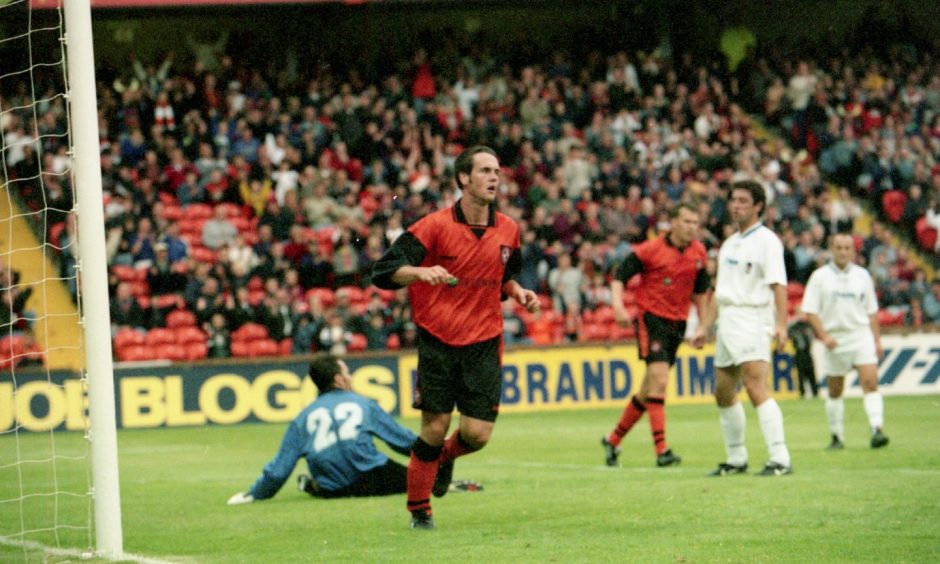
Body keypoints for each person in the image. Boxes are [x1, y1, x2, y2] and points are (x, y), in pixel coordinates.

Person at [371, 145, 540, 530]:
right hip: (438, 340)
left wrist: (518, 292)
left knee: (477, 435)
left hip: (483, 340)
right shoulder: (433, 226)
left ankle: (442, 460)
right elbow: (383, 272)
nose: (494, 177)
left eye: (496, 170)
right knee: (433, 427)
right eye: (484, 171)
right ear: (464, 178)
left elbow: (505, 277)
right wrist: (418, 272)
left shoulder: (510, 229)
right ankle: (420, 511)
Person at [691, 180, 793, 476]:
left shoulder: (767, 241)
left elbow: (779, 286)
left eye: (743, 201)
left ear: (758, 206)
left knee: (755, 384)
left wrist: (781, 325)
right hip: (729, 321)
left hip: (753, 318)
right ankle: (736, 458)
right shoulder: (729, 244)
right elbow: (720, 293)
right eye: (733, 200)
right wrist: (703, 327)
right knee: (723, 392)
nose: (736, 205)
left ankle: (780, 457)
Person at [601, 203, 709, 468]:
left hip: (678, 323)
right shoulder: (650, 250)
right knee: (659, 381)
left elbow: (701, 292)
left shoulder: (699, 253)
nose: (691, 227)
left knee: (648, 389)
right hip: (652, 319)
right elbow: (619, 275)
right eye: (686, 221)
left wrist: (703, 326)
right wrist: (617, 305)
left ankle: (613, 440)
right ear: (672, 222)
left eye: (695, 223)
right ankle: (662, 450)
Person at [227, 355, 418, 503]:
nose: (350, 377)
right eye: (347, 373)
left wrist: (253, 495)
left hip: (334, 488)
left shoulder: (302, 419)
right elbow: (402, 441)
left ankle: (316, 486)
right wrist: (436, 460)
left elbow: (279, 470)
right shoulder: (363, 404)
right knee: (423, 482)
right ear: (339, 379)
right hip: (374, 480)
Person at [800, 233, 888, 449]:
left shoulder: (862, 276)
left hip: (860, 336)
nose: (842, 252)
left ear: (853, 251)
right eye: (838, 247)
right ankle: (837, 436)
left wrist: (876, 340)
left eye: (847, 248)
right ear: (831, 249)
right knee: (835, 390)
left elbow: (872, 312)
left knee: (870, 382)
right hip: (835, 339)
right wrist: (824, 336)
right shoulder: (819, 277)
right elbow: (810, 311)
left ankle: (877, 429)